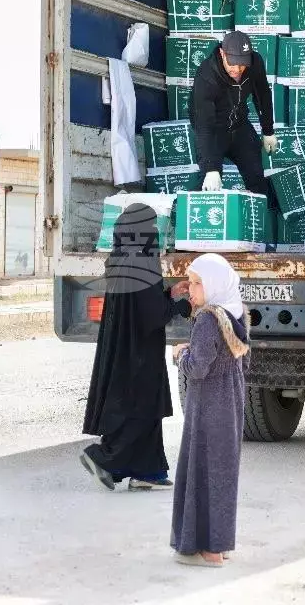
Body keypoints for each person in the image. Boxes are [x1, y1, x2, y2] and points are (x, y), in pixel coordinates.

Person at [81, 204, 193, 491]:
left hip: (124, 347)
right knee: (142, 407)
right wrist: (182, 306)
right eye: (152, 227)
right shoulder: (144, 261)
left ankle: (148, 471)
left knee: (140, 406)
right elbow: (153, 314)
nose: (155, 233)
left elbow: (140, 302)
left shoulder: (120, 259)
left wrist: (169, 293)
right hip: (140, 351)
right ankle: (104, 458)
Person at [170, 254, 249, 568]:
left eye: (196, 283)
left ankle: (206, 550)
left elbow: (198, 368)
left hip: (208, 403)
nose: (190, 289)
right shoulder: (236, 312)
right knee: (222, 471)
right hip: (231, 399)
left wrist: (180, 355)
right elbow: (239, 359)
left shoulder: (207, 319)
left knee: (201, 470)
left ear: (214, 284)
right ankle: (220, 543)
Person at [190, 30, 280, 210]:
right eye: (232, 63)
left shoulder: (255, 62)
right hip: (214, 132)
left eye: (242, 64)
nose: (237, 70)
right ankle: (186, 217)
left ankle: (262, 220)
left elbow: (262, 95)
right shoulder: (207, 76)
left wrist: (268, 130)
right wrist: (211, 167)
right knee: (208, 183)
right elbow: (204, 125)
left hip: (240, 127)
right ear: (222, 53)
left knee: (256, 179)